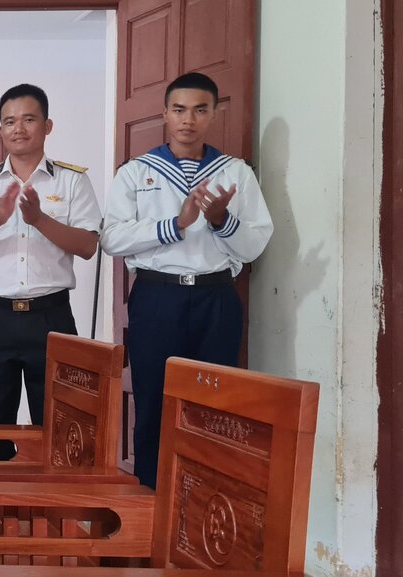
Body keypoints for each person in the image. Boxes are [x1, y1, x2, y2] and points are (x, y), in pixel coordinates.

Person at [100, 72, 273, 488]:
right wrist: (174, 224)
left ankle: (208, 502)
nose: (188, 120)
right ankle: (151, 498)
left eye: (200, 110)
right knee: (154, 399)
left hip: (216, 297)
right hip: (158, 297)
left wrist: (221, 220)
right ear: (164, 113)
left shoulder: (235, 173)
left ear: (214, 114)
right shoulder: (136, 172)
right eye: (179, 110)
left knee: (215, 405)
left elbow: (254, 246)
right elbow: (111, 237)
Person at [0, 84, 102, 461]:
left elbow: (86, 246)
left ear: (47, 126)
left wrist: (38, 218)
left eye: (28, 119)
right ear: (1, 130)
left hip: (51, 317)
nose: (19, 128)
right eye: (10, 121)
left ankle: (50, 512)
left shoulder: (71, 180)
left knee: (58, 426)